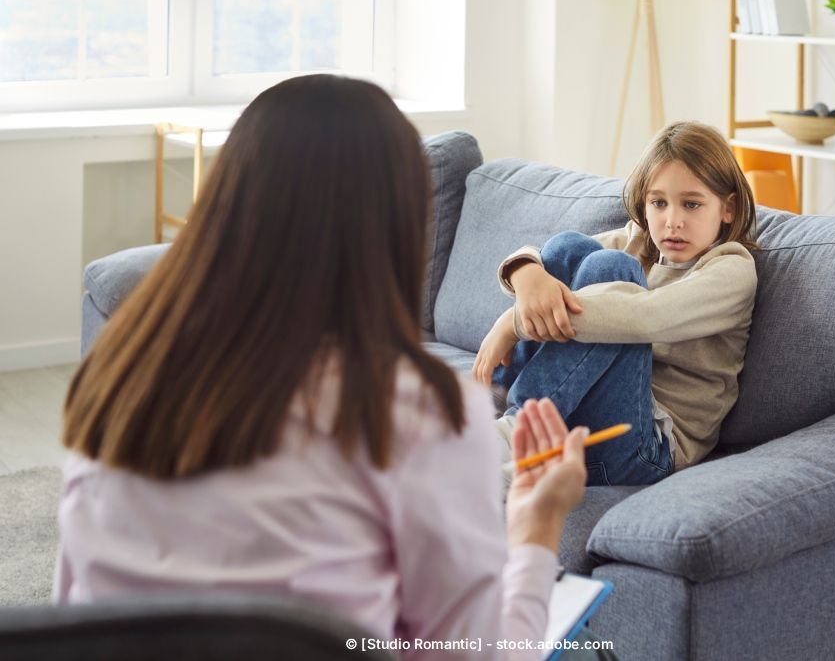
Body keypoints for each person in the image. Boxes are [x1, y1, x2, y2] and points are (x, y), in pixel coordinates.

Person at [54, 75, 615, 660]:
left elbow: (72, 616)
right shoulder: (420, 412)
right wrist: (534, 530)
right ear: (394, 230)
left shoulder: (120, 376)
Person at [472, 121, 759, 487]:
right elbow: (550, 257)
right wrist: (523, 272)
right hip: (580, 422)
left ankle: (517, 434)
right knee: (569, 247)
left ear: (728, 208)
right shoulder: (639, 242)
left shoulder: (731, 270)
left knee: (613, 269)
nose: (672, 221)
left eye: (691, 204)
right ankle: (496, 415)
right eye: (659, 203)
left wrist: (514, 323)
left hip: (643, 449)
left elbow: (645, 318)